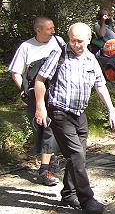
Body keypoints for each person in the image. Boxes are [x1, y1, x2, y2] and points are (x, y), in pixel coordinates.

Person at [33, 23, 115, 213]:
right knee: (77, 155)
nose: (76, 44)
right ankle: (87, 200)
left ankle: (69, 194)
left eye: (80, 41)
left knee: (78, 157)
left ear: (89, 39)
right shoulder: (59, 54)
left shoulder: (91, 59)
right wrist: (40, 107)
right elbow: (40, 80)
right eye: (72, 40)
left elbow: (100, 85)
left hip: (79, 114)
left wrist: (111, 110)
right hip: (59, 112)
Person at [8, 16, 64, 186]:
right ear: (38, 30)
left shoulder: (59, 42)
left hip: (56, 92)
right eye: (49, 29)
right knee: (40, 128)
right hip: (36, 93)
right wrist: (24, 90)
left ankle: (45, 169)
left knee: (49, 127)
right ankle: (50, 161)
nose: (53, 32)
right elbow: (16, 71)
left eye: (53, 28)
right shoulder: (26, 47)